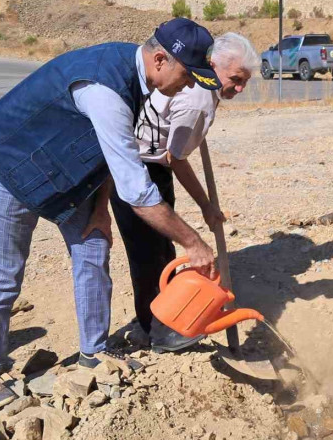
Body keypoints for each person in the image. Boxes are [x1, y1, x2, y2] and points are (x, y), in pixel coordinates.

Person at [0, 18, 224, 410]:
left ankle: (95, 351)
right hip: (7, 162)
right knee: (3, 273)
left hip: (63, 168)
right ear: (160, 59)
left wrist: (100, 208)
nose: (188, 86)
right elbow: (138, 193)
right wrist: (193, 242)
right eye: (188, 76)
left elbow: (108, 149)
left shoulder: (136, 74)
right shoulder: (106, 88)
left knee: (92, 248)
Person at [110, 32, 258, 352]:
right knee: (149, 256)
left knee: (162, 252)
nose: (240, 87)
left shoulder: (203, 92)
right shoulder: (198, 99)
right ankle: (157, 333)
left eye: (245, 80)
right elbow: (175, 159)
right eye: (235, 79)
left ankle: (161, 318)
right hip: (139, 170)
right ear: (213, 66)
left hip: (150, 166)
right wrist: (205, 205)